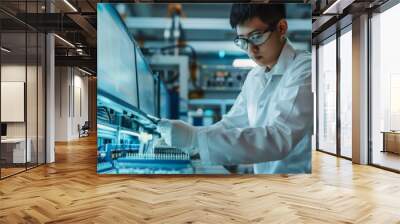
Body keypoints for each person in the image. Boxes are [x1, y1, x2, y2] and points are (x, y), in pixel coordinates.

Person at [157, 4, 313, 174]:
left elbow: (280, 137)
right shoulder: (254, 77)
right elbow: (230, 124)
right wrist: (190, 139)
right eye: (243, 41)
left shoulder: (305, 69)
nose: (251, 50)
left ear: (281, 28)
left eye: (257, 36)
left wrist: (194, 138)